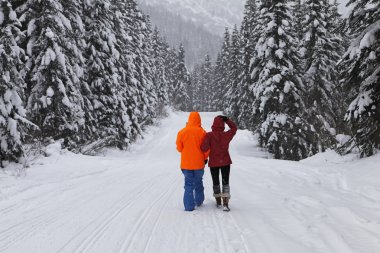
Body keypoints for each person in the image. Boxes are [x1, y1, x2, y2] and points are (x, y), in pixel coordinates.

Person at [201, 115, 237, 211]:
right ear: (223, 125)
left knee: (215, 182)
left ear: (213, 124)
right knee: (225, 182)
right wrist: (228, 120)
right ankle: (225, 203)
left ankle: (218, 202)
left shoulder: (209, 135)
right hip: (225, 162)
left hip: (214, 163)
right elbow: (234, 128)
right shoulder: (226, 135)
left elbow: (203, 148)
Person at [176, 112, 209, 211]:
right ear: (199, 120)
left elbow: (179, 148)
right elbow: (207, 149)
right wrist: (204, 158)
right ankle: (199, 201)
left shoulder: (182, 132)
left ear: (189, 119)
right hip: (199, 164)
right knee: (198, 182)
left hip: (186, 164)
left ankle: (189, 206)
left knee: (188, 184)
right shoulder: (203, 133)